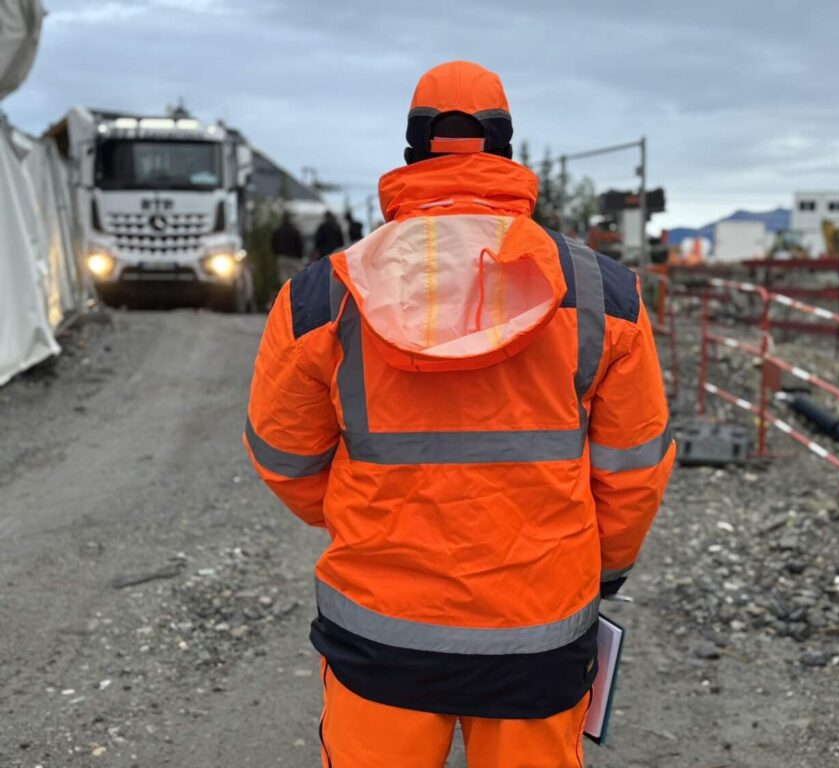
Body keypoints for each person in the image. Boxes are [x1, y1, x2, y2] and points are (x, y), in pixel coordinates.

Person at [244, 60, 674, 767]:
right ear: (504, 149)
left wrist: (371, 517)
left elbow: (283, 456)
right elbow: (633, 470)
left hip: (378, 636)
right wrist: (602, 572)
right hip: (537, 635)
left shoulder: (324, 296)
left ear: (413, 149)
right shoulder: (605, 295)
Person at [270, 212, 304, 284]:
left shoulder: (278, 231)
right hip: (293, 258)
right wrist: (300, 256)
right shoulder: (294, 231)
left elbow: (273, 244)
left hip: (281, 257)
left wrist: (276, 253)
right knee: (297, 278)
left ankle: (287, 294)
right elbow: (299, 245)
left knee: (284, 279)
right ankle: (295, 294)